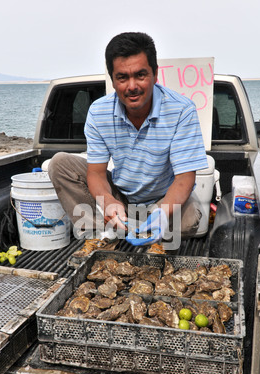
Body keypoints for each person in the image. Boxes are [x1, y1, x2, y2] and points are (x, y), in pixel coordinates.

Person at [48, 32, 208, 247]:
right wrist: (109, 203)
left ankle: (145, 226)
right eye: (122, 77)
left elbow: (184, 179)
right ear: (113, 80)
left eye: (140, 75)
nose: (132, 86)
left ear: (155, 74)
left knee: (188, 223)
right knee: (60, 163)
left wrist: (162, 212)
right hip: (122, 194)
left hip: (164, 196)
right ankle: (101, 237)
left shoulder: (182, 110)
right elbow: (95, 173)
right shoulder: (98, 112)